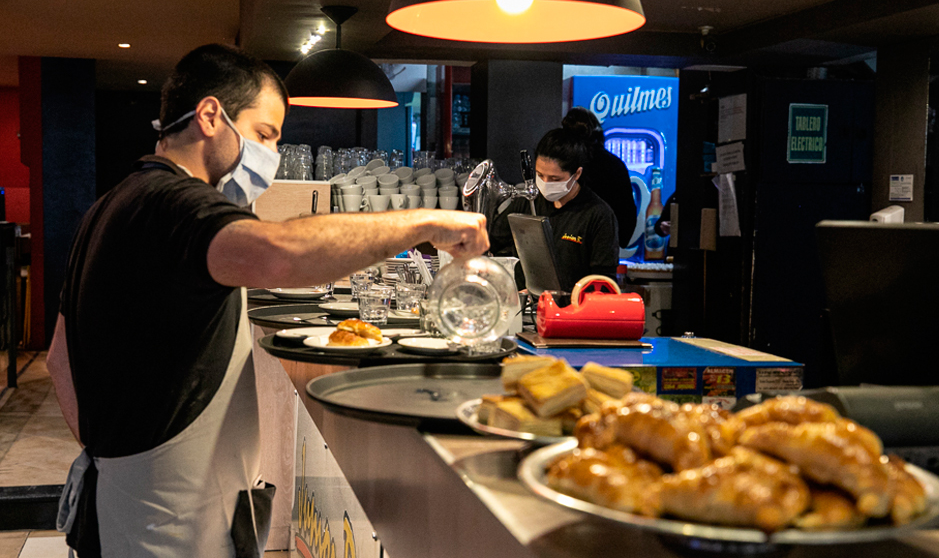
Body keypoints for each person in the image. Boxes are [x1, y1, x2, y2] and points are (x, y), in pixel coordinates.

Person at [45, 44, 488, 558]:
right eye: (264, 135)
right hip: (163, 525)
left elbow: (60, 359)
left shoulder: (116, 202)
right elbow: (280, 255)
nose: (271, 155)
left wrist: (115, 457)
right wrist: (427, 220)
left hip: (138, 502)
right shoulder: (174, 203)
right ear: (211, 116)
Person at [490, 127, 618, 290]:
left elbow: (603, 283)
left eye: (555, 178)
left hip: (572, 311)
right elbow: (493, 240)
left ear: (577, 174)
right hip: (523, 307)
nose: (545, 183)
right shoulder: (528, 200)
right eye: (540, 175)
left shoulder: (598, 215)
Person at [561, 107, 637, 249]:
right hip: (606, 240)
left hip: (568, 240)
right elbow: (628, 214)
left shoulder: (565, 164)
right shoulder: (615, 165)